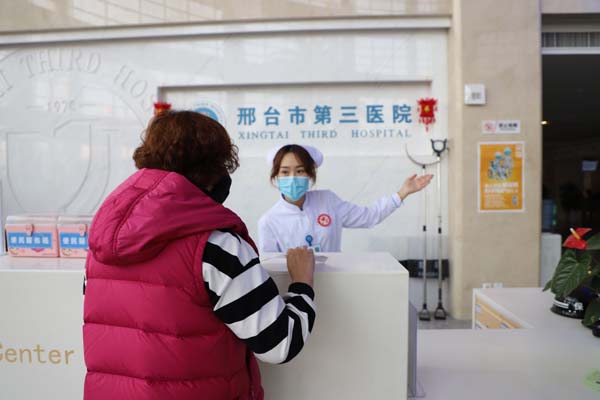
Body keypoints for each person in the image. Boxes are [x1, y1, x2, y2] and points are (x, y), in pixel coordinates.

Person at [83, 111, 316, 400]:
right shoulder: (217, 246)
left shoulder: (101, 242)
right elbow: (279, 343)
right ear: (213, 170)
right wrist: (302, 285)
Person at [258, 144, 433, 253]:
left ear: (310, 175)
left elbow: (369, 217)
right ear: (276, 177)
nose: (293, 178)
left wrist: (402, 193)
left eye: (300, 171)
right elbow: (271, 270)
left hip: (336, 284)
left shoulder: (327, 201)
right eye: (285, 172)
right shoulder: (269, 221)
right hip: (296, 293)